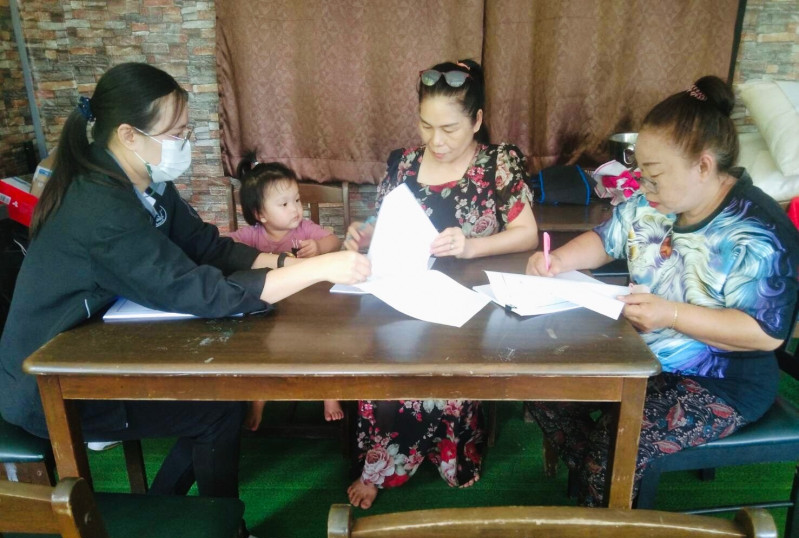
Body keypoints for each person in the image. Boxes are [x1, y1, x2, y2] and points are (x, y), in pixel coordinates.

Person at [0, 62, 370, 538]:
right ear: (129, 135)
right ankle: (224, 534)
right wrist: (321, 269)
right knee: (216, 408)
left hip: (94, 344)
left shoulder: (144, 182)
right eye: (175, 133)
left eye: (185, 131)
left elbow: (207, 247)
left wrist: (287, 264)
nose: (184, 143)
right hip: (47, 382)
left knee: (217, 398)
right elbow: (200, 290)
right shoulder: (99, 207)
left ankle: (167, 510)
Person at [525, 75, 799, 507]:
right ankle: (603, 483)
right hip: (643, 358)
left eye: (653, 176)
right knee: (543, 391)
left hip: (722, 382)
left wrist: (670, 314)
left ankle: (600, 507)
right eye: (641, 174)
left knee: (613, 446)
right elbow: (607, 239)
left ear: (703, 166)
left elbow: (764, 334)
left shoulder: (757, 231)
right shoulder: (651, 203)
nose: (643, 187)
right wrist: (558, 261)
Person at [343, 59, 539, 509]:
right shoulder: (404, 163)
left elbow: (527, 234)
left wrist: (470, 246)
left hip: (471, 302)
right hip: (404, 293)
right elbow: (384, 221)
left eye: (450, 128)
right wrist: (365, 232)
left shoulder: (498, 162)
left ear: (477, 120)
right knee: (385, 368)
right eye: (426, 126)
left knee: (444, 369)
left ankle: (447, 452)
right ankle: (380, 464)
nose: (437, 141)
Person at [228, 157, 345, 424]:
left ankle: (328, 392)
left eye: (297, 200)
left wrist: (319, 247)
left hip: (310, 307)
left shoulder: (305, 229)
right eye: (284, 204)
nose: (295, 209)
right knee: (256, 348)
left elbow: (334, 240)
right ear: (260, 214)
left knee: (325, 341)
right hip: (269, 310)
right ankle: (259, 397)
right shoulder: (251, 235)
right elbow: (225, 246)